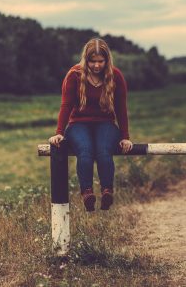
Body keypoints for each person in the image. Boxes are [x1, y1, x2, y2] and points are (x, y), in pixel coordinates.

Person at [48, 37, 133, 212]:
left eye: (100, 61)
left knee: (103, 151)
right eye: (92, 61)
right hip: (79, 123)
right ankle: (87, 193)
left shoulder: (115, 76)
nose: (96, 66)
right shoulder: (74, 75)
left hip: (106, 123)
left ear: (107, 60)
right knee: (85, 151)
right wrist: (59, 132)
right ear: (86, 60)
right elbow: (66, 105)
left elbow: (121, 108)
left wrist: (125, 137)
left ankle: (107, 191)